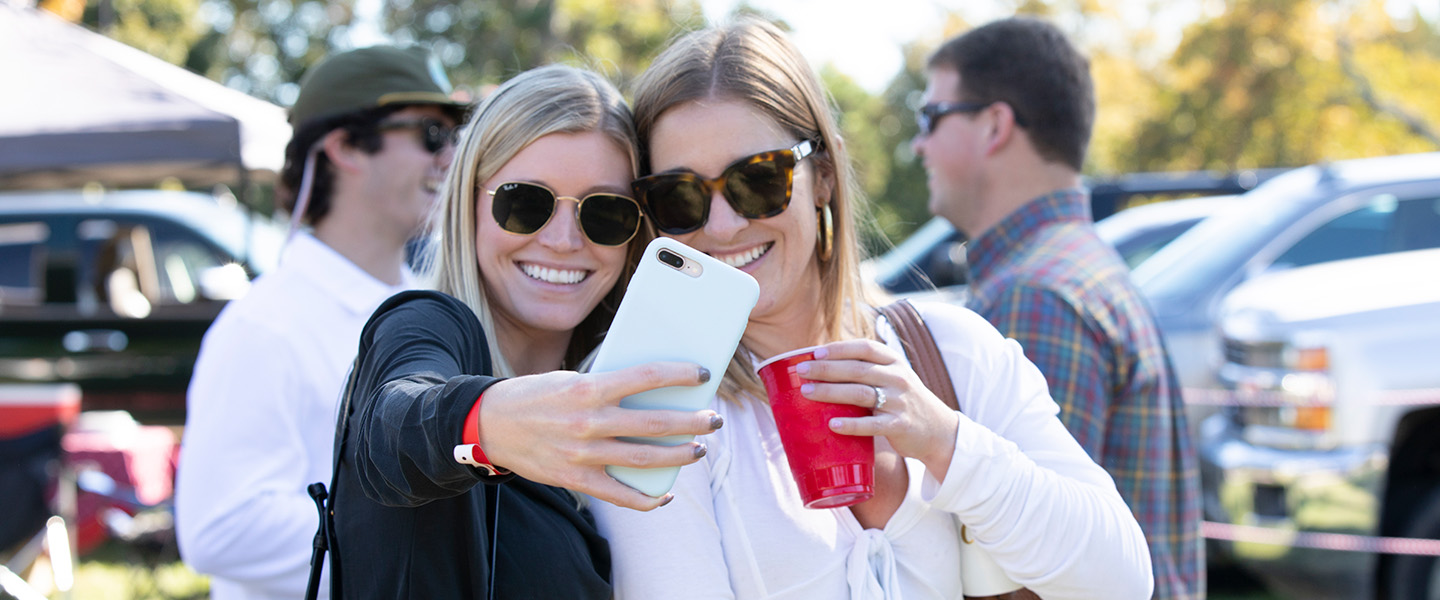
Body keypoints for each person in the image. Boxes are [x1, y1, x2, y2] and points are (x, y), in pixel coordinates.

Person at [589, 18, 1153, 599]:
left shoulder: (950, 349)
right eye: (679, 196)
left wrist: (944, 442)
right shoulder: (649, 399)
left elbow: (1123, 580)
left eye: (758, 181)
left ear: (823, 176)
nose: (725, 225)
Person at [326, 64, 722, 598]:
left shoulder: (624, 389)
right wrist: (485, 425)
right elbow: (391, 426)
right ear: (468, 201)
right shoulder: (427, 323)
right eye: (525, 203)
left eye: (605, 213)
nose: (562, 240)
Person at [912, 17, 1203, 600]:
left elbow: (1030, 573)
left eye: (932, 117)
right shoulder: (1075, 268)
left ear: (994, 124)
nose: (918, 144)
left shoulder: (1034, 297)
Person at [175, 45, 467, 600]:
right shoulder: (263, 325)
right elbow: (221, 527)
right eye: (432, 134)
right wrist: (423, 543)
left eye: (456, 137)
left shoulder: (438, 303)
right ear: (347, 146)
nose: (451, 157)